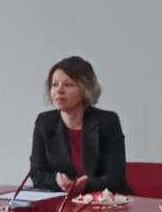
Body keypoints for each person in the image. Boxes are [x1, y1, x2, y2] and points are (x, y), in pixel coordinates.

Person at [28, 56, 130, 195]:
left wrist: (83, 185)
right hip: (62, 200)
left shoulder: (107, 121)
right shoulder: (44, 122)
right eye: (55, 84)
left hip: (103, 201)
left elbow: (116, 179)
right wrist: (57, 180)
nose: (59, 90)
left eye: (68, 84)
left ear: (85, 89)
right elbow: (37, 174)